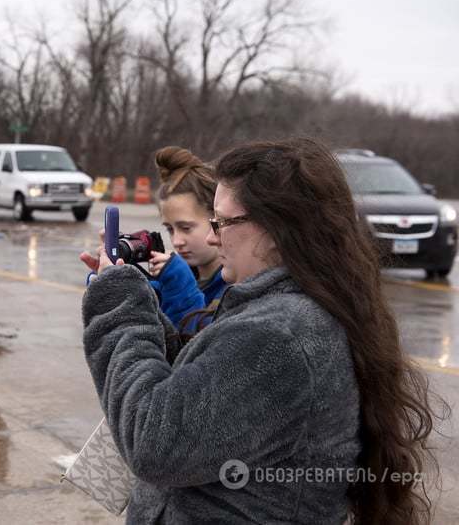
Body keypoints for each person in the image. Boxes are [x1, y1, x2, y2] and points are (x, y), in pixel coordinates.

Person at [81, 137, 441, 524]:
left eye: (221, 222)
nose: (211, 236)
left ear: (277, 227)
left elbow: (155, 441)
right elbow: (207, 394)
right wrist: (141, 307)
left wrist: (119, 307)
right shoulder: (290, 312)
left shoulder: (280, 336)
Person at [80, 146, 227, 337]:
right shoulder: (171, 277)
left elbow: (195, 346)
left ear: (217, 219)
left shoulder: (234, 286)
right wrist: (115, 282)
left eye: (186, 228)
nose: (177, 240)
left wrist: (178, 280)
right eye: (170, 229)